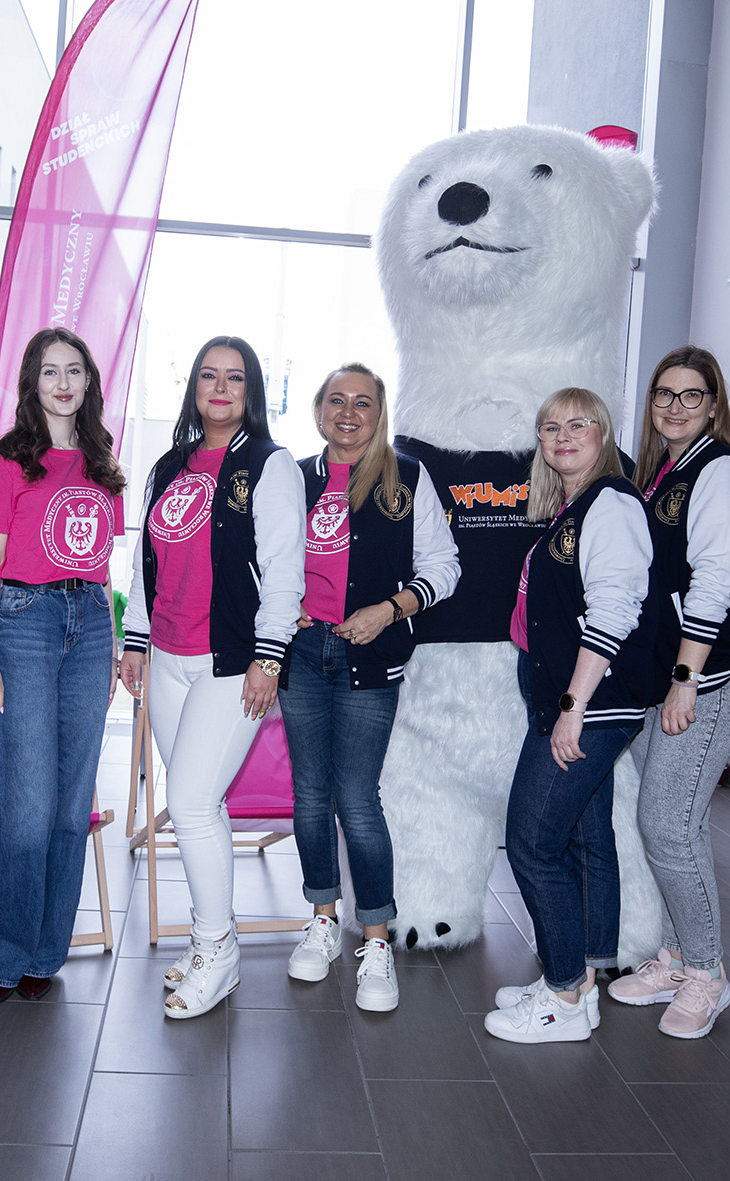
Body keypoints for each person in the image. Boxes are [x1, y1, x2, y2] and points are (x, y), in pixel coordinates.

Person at [117, 335, 306, 1019]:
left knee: (191, 804)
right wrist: (135, 638)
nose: (220, 388)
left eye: (234, 377)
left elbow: (284, 571)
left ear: (251, 391)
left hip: (232, 662)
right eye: (208, 376)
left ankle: (216, 949)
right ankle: (210, 945)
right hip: (167, 658)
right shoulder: (170, 464)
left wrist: (269, 657)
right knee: (205, 805)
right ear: (194, 388)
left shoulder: (269, 464)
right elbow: (147, 559)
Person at [280, 363, 460, 1012]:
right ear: (318, 409)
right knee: (309, 796)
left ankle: (376, 938)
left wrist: (389, 609)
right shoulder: (291, 477)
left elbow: (445, 567)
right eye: (337, 400)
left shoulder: (406, 478)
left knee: (356, 799)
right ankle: (322, 919)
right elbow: (259, 558)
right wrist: (283, 607)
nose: (348, 412)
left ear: (380, 414)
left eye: (363, 402)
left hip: (370, 657)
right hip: (302, 654)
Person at [485, 387, 655, 1044]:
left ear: (604, 433)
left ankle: (561, 995)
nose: (562, 435)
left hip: (591, 706)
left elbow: (615, 610)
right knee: (582, 837)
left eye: (578, 423)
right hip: (576, 702)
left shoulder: (611, 504)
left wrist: (572, 708)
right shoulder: (575, 508)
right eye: (550, 426)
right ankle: (578, 979)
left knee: (532, 843)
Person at [607, 346, 730, 1038]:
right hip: (663, 675)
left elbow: (716, 582)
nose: (675, 406)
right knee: (681, 824)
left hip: (705, 677)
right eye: (663, 394)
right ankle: (676, 959)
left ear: (713, 404)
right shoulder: (662, 472)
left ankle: (707, 974)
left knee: (667, 824)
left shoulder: (721, 471)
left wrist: (685, 680)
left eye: (691, 395)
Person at [0, 328, 126, 1003]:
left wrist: (112, 644)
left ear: (89, 382)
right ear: (32, 382)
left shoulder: (102, 462)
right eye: (50, 371)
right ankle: (4, 952)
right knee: (27, 807)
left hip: (89, 623)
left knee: (70, 806)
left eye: (75, 371)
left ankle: (45, 951)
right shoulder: (8, 459)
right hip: (24, 623)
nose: (63, 383)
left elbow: (104, 567)